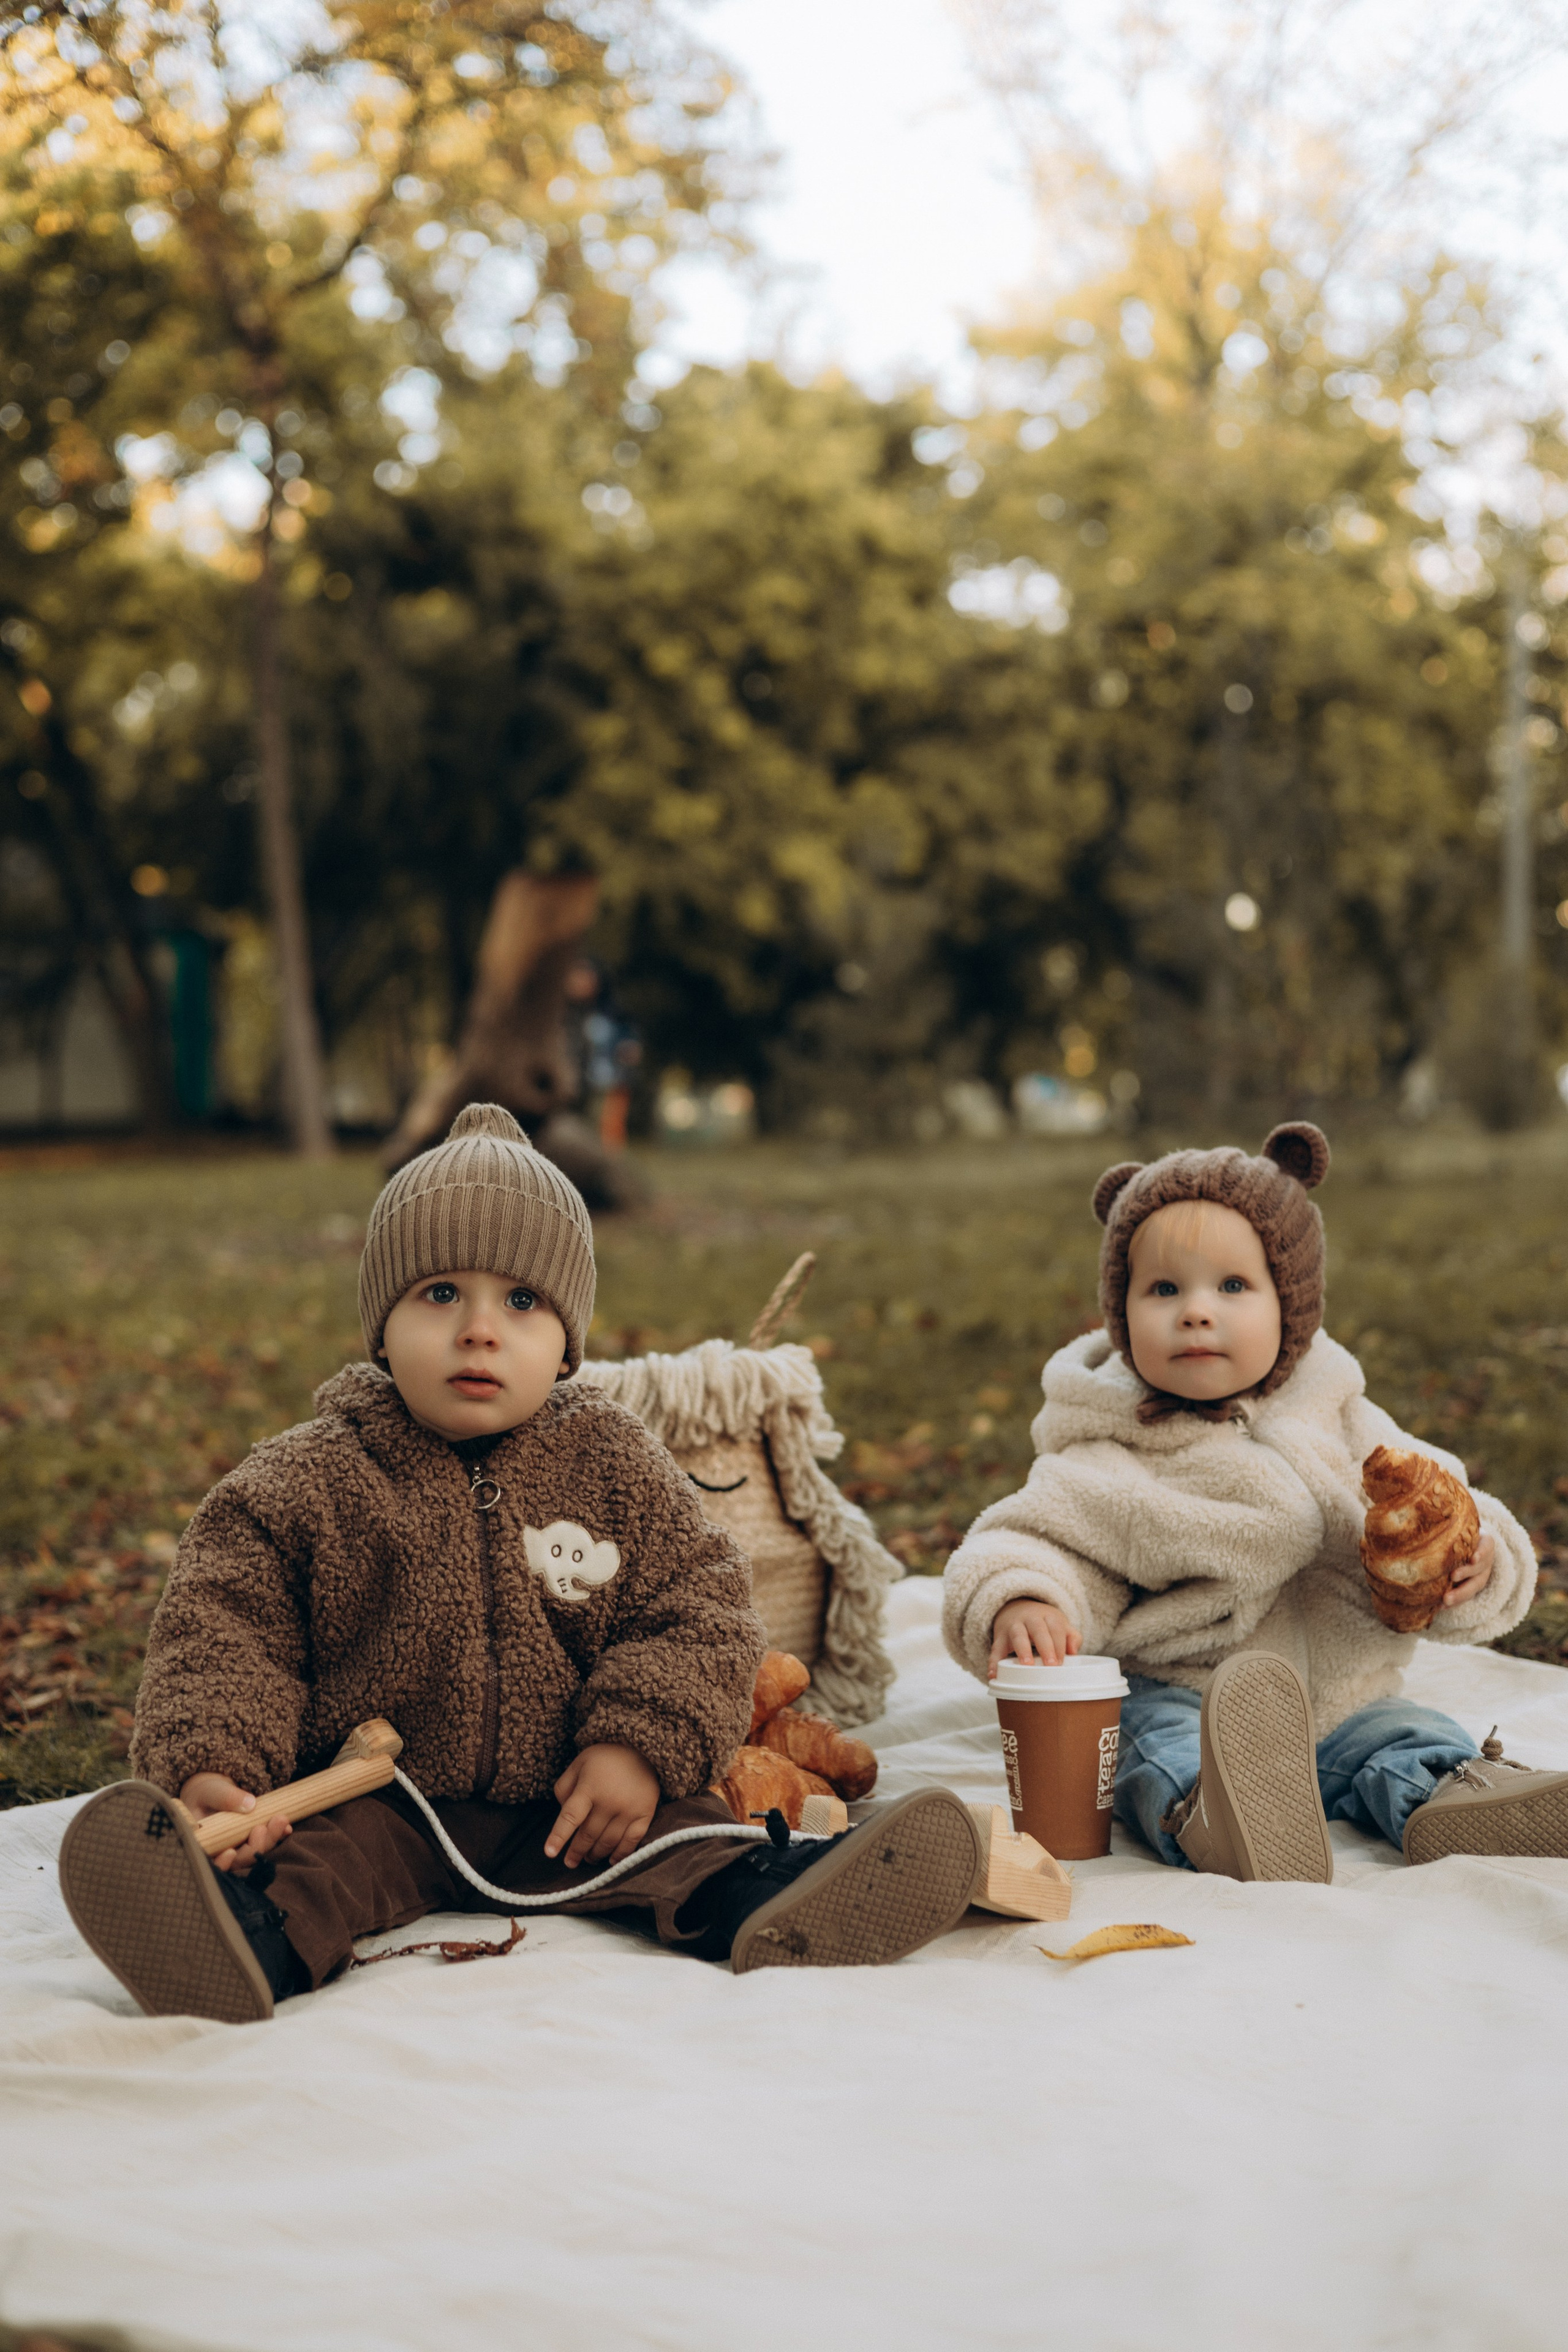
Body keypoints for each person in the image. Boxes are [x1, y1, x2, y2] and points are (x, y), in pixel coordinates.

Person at [60, 1105, 978, 2022]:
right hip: (386, 1803)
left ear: (569, 1343)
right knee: (307, 1866)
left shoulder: (614, 1459)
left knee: (690, 1837)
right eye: (441, 1295)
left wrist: (638, 1745)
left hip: (575, 1797)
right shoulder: (309, 1479)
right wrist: (215, 1764)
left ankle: (780, 1898)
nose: (480, 1330)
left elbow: (703, 1607)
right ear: (381, 1328)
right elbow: (225, 1628)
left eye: (522, 1302)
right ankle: (234, 1942)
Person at [941, 1123, 1568, 1880]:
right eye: (1163, 1289)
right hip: (1187, 1697)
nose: (1196, 1311)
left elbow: (1440, 1500)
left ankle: (1453, 1802)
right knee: (1148, 1747)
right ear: (1121, 1311)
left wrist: (1478, 1561)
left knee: (1409, 1733)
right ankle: (1213, 1815)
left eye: (1232, 1286)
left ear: (1290, 1307)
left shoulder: (1342, 1418)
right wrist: (1025, 1599)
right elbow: (1040, 1539)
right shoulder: (1112, 1450)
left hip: (1343, 1701)